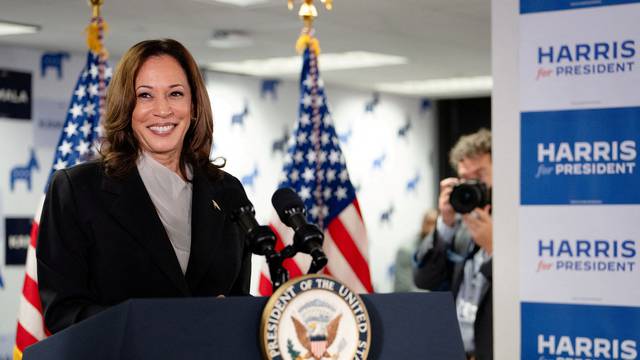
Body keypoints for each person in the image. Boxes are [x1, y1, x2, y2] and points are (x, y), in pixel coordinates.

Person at [37, 39, 252, 333]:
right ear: (126, 106)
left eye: (175, 93)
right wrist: (161, 323)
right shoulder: (77, 190)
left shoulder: (227, 191)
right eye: (145, 96)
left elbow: (237, 299)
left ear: (193, 105)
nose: (162, 110)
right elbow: (63, 312)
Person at [413, 128, 493, 360]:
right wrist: (445, 223)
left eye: (479, 176)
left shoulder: (519, 225)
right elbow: (425, 279)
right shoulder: (459, 229)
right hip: (454, 350)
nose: (471, 185)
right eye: (464, 179)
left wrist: (493, 249)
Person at [393, 209, 438, 292]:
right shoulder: (406, 251)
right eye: (429, 223)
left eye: (436, 223)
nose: (433, 228)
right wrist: (435, 295)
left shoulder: (446, 248)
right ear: (423, 224)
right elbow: (404, 289)